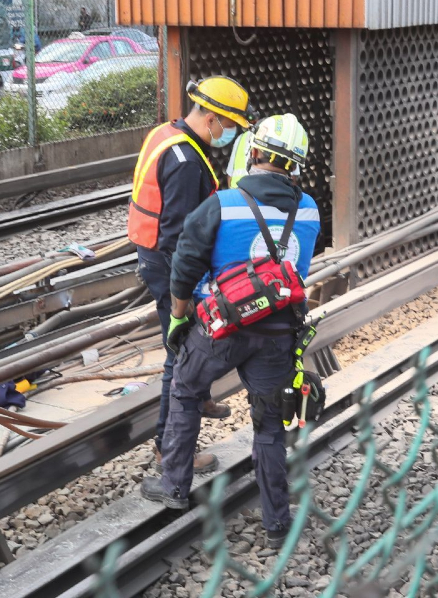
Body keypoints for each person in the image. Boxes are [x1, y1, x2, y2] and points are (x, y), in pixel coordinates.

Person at [141, 114, 320, 550]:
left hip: (221, 329)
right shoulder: (311, 209)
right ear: (296, 165)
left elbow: (184, 266)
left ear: (254, 153)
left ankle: (175, 487)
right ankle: (277, 522)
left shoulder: (222, 203)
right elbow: (300, 270)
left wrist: (181, 316)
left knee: (185, 389)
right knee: (271, 423)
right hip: (279, 333)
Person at [127, 76, 255, 471]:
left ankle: (199, 400)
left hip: (152, 257)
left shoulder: (167, 134)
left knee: (191, 344)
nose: (230, 133)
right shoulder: (184, 163)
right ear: (213, 118)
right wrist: (198, 284)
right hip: (167, 265)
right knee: (180, 352)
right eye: (230, 124)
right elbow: (179, 237)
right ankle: (171, 449)